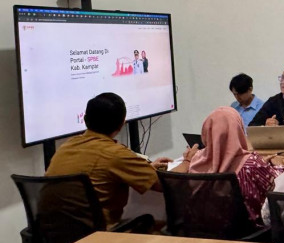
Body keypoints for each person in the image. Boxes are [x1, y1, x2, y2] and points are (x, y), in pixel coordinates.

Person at [45, 93, 195, 230]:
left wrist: (146, 167)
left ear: (85, 119)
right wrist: (188, 160)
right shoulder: (115, 154)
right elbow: (166, 184)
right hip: (96, 236)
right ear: (122, 123)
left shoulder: (66, 146)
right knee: (165, 227)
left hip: (53, 234)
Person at [187, 107, 284, 227]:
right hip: (248, 231)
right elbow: (281, 187)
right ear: (238, 130)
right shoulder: (251, 165)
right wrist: (280, 165)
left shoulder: (196, 161)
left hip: (205, 229)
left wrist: (259, 165)